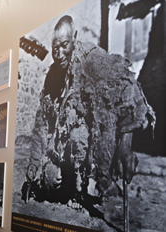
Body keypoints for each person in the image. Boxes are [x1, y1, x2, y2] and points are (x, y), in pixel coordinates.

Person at [25, 15, 155, 207]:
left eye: (64, 45)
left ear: (75, 38)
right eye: (55, 48)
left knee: (79, 133)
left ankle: (87, 182)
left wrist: (125, 146)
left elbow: (127, 89)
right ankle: (70, 179)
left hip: (92, 141)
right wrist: (34, 162)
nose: (59, 53)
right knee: (50, 180)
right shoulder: (53, 75)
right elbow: (41, 122)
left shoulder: (93, 60)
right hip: (65, 147)